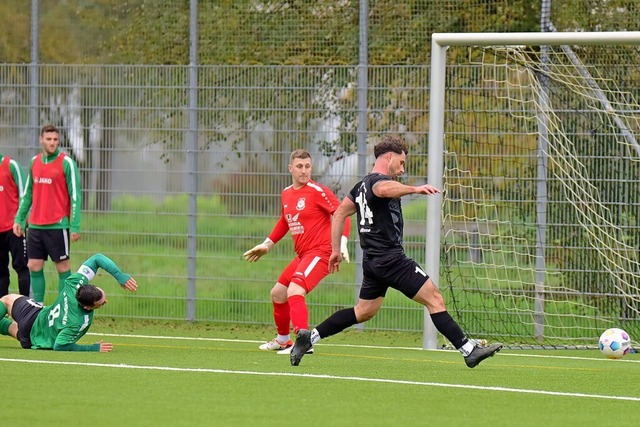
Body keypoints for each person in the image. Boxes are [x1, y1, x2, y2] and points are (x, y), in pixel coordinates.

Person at [290, 135, 502, 367]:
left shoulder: (360, 186)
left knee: (363, 311)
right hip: (391, 259)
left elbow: (340, 213)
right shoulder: (378, 182)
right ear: (389, 157)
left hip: (372, 262)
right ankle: (468, 350)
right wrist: (414, 189)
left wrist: (335, 250)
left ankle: (308, 338)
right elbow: (383, 189)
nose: (401, 169)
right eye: (400, 163)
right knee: (435, 298)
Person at [244, 149, 351, 354]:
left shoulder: (317, 191)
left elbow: (342, 215)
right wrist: (267, 244)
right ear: (290, 168)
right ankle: (283, 340)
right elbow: (285, 220)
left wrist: (342, 244)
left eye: (308, 166)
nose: (304, 171)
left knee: (295, 291)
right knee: (278, 293)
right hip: (304, 255)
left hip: (321, 252)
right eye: (300, 166)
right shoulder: (286, 193)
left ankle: (303, 343)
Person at [0, 253, 137, 352]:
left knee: (6, 301)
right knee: (10, 327)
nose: (105, 301)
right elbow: (60, 345)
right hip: (30, 339)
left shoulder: (75, 284)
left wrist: (120, 276)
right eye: (101, 303)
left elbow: (97, 258)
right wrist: (93, 348)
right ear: (86, 306)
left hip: (33, 316)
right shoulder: (79, 321)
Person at [13, 125, 82, 303]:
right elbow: (28, 193)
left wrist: (74, 225)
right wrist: (19, 218)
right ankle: (38, 307)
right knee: (34, 266)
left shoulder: (66, 163)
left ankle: (63, 306)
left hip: (57, 226)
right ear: (41, 140)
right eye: (49, 139)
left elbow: (75, 195)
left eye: (55, 140)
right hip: (35, 226)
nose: (52, 143)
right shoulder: (34, 162)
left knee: (63, 267)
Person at [0, 153, 30, 297]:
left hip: (14, 228)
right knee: (0, 271)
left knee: (21, 267)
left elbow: (25, 194)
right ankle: (2, 311)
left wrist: (21, 221)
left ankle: (26, 307)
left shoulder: (11, 165)